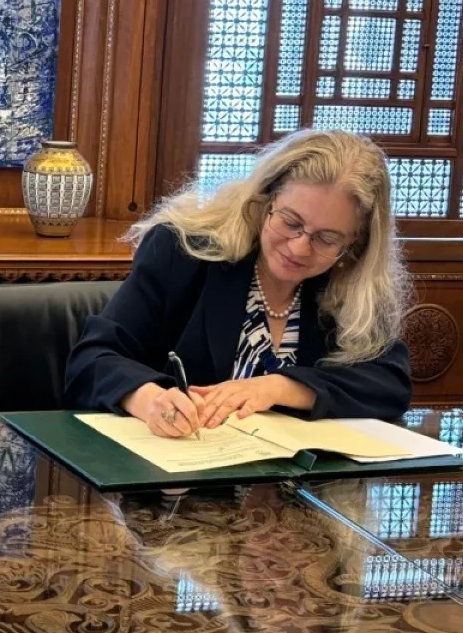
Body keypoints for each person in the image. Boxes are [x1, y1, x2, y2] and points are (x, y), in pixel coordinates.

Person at [65, 129, 413, 437]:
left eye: (327, 239)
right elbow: (92, 359)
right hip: (175, 491)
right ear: (265, 201)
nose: (299, 247)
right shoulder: (184, 252)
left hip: (297, 494)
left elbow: (390, 383)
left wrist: (281, 387)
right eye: (291, 222)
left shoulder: (350, 284)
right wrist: (148, 399)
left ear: (355, 245)